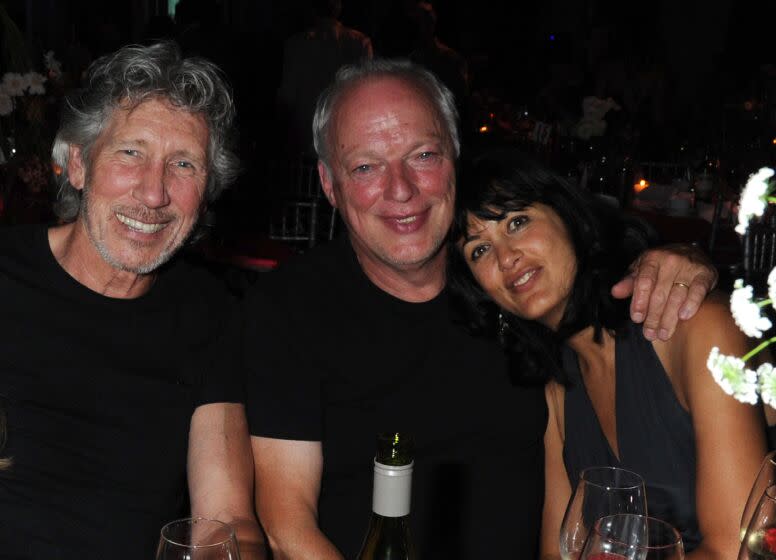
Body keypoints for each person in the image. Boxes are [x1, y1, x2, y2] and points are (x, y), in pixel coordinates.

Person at [243, 58, 718, 559]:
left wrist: (687, 260)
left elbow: (597, 261)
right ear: (328, 184)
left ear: (455, 156)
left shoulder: (509, 286)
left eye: (423, 155)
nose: (401, 189)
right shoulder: (287, 309)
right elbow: (287, 527)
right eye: (365, 167)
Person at [0, 42, 263, 558]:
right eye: (131, 152)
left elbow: (229, 517)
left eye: (183, 164)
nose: (154, 193)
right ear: (78, 165)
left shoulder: (210, 314)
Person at [449, 147, 766, 558]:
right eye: (478, 250)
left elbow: (734, 550)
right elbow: (558, 551)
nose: (506, 258)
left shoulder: (696, 325)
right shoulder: (557, 385)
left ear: (568, 216)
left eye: (518, 222)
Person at [276, 0, 373, 159]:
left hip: (306, 139)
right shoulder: (359, 42)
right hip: (345, 138)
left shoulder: (297, 44)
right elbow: (366, 95)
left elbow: (287, 97)